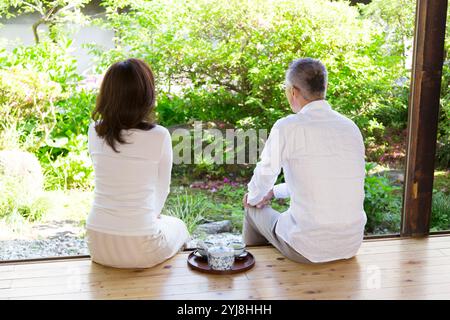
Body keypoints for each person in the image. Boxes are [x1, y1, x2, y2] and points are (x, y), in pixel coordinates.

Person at [243, 58, 367, 264]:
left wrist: (254, 198)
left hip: (308, 248)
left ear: (293, 91)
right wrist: (273, 192)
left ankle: (252, 271)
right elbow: (322, 181)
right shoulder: (350, 127)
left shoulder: (288, 127)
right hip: (351, 244)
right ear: (324, 88)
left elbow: (263, 177)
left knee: (251, 208)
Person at [86, 58, 189, 268]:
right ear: (146, 95)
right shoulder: (159, 136)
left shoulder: (94, 130)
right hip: (141, 246)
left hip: (97, 243)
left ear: (107, 94)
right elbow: (162, 189)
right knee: (179, 226)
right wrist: (148, 218)